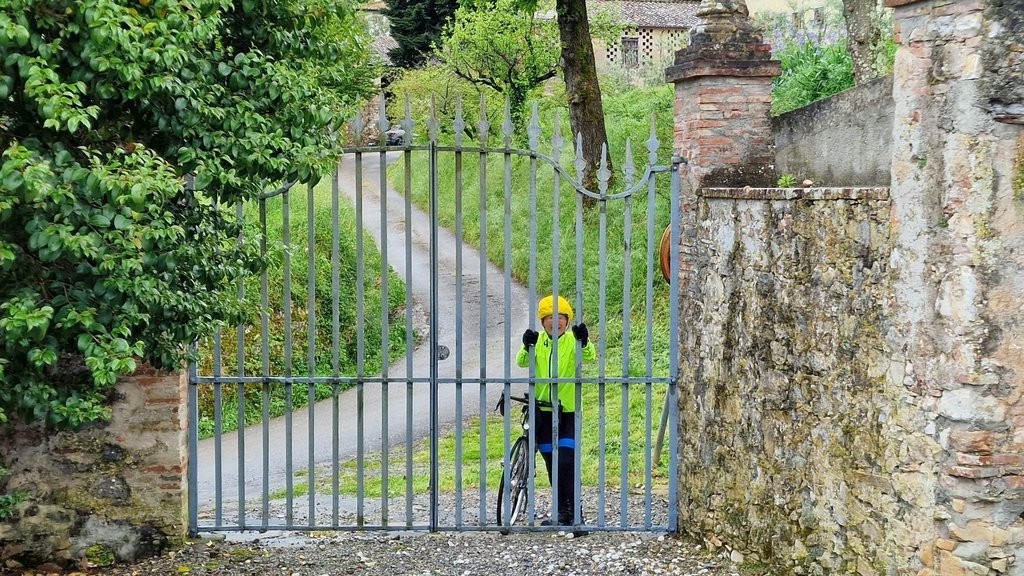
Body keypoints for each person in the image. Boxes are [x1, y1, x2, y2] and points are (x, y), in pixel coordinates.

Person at [516, 295, 596, 528]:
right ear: (543, 321)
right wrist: (526, 345)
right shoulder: (539, 341)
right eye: (550, 318)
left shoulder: (571, 341)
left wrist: (585, 341)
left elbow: (589, 356)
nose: (556, 322)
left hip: (567, 411)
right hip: (542, 411)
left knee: (566, 461)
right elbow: (521, 362)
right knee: (552, 463)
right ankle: (562, 513)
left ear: (567, 321)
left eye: (561, 318)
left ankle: (575, 512)